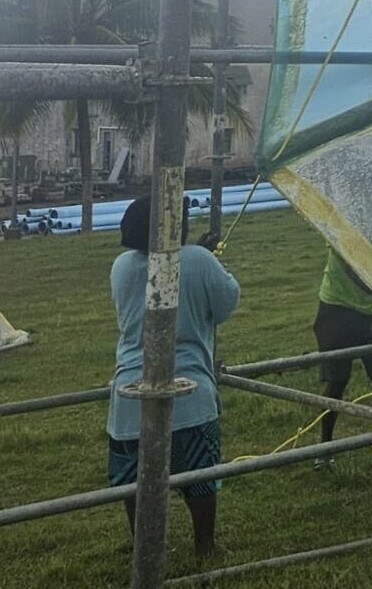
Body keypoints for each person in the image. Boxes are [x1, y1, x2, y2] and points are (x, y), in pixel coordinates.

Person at [108, 196, 240, 560]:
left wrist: (196, 255)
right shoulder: (199, 260)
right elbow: (227, 302)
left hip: (129, 394)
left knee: (134, 481)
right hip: (189, 394)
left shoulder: (121, 266)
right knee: (199, 479)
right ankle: (205, 547)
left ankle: (145, 547)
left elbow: (164, 276)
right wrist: (207, 259)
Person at [312, 248, 372, 475]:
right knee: (337, 380)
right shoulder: (340, 224)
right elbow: (352, 266)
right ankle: (325, 448)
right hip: (338, 309)